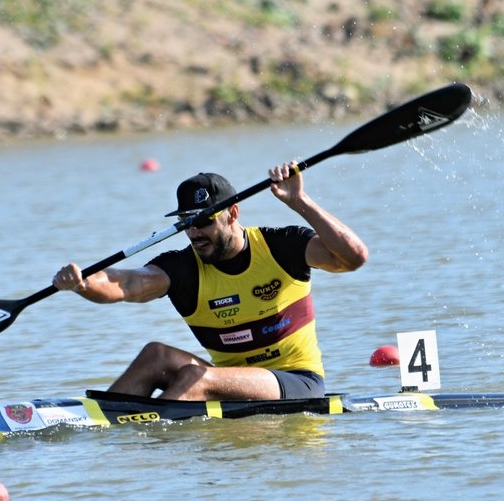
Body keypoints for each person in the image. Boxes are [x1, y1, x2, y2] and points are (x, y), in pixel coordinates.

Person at [53, 163, 368, 401]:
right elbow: (127, 282)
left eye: (203, 221)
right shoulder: (182, 268)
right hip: (227, 378)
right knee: (155, 356)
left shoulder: (281, 247)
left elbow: (353, 258)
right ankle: (104, 428)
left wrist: (299, 201)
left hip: (296, 380)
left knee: (197, 377)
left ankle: (153, 441)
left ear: (232, 214)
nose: (194, 233)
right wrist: (84, 283)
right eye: (186, 223)